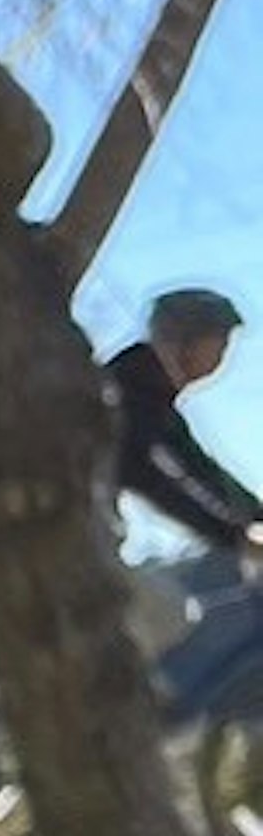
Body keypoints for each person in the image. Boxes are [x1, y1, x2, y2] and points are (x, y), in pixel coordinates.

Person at [106, 286, 263, 712]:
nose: (223, 357)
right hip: (67, 537)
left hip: (86, 536)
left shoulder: (149, 388)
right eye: (221, 342)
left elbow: (200, 470)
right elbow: (147, 476)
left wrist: (255, 517)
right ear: (187, 340)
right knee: (169, 614)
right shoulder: (129, 387)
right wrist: (232, 536)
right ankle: (102, 719)